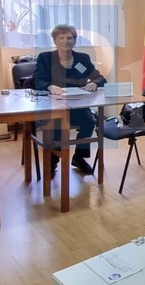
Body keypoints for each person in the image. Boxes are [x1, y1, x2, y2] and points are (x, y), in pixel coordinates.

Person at [34, 24, 106, 176]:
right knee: (57, 125)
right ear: (55, 40)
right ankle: (53, 159)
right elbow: (37, 80)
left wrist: (94, 83)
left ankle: (79, 157)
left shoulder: (81, 59)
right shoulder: (45, 58)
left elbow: (99, 77)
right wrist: (49, 86)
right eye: (61, 38)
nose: (66, 41)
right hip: (53, 106)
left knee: (89, 121)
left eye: (69, 38)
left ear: (74, 40)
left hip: (76, 105)